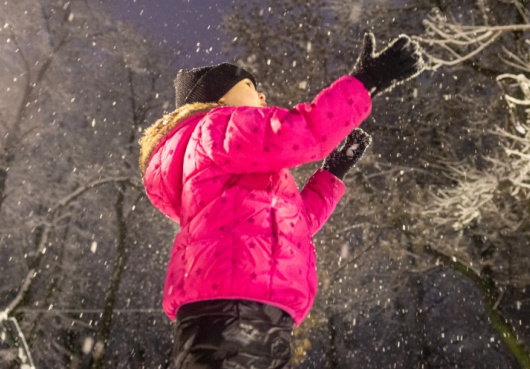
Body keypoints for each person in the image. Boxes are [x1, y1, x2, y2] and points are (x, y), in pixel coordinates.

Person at [138, 32, 423, 369]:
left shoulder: (224, 160)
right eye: (248, 85)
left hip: (249, 308)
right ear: (218, 100)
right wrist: (364, 83)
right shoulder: (217, 128)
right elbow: (297, 133)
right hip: (235, 306)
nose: (261, 94)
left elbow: (296, 222)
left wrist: (331, 176)